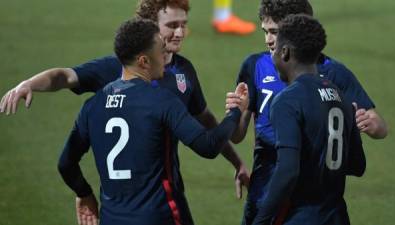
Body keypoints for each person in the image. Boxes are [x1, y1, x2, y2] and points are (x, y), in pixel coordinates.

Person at [0, 0, 250, 201]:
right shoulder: (119, 68)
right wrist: (29, 84)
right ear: (150, 27)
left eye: (184, 24)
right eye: (172, 25)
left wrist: (236, 162)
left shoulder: (185, 71)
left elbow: (204, 120)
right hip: (145, 203)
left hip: (162, 194)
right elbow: (65, 76)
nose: (180, 32)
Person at [58, 18, 249, 225]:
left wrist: (84, 194)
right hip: (159, 217)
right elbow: (208, 146)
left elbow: (66, 164)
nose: (166, 56)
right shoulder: (162, 101)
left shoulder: (92, 106)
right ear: (144, 61)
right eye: (160, 50)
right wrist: (235, 112)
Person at [225, 0, 386, 224]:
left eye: (275, 32)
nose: (269, 40)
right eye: (265, 31)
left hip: (303, 191)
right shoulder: (254, 66)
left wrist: (371, 124)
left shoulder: (333, 73)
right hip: (266, 187)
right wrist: (235, 114)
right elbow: (238, 134)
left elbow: (379, 126)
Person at [250, 14, 366, 225]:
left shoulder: (287, 101)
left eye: (275, 49)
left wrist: (260, 220)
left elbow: (287, 171)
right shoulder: (340, 96)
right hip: (337, 216)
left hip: (300, 217)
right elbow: (358, 165)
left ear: (284, 52)